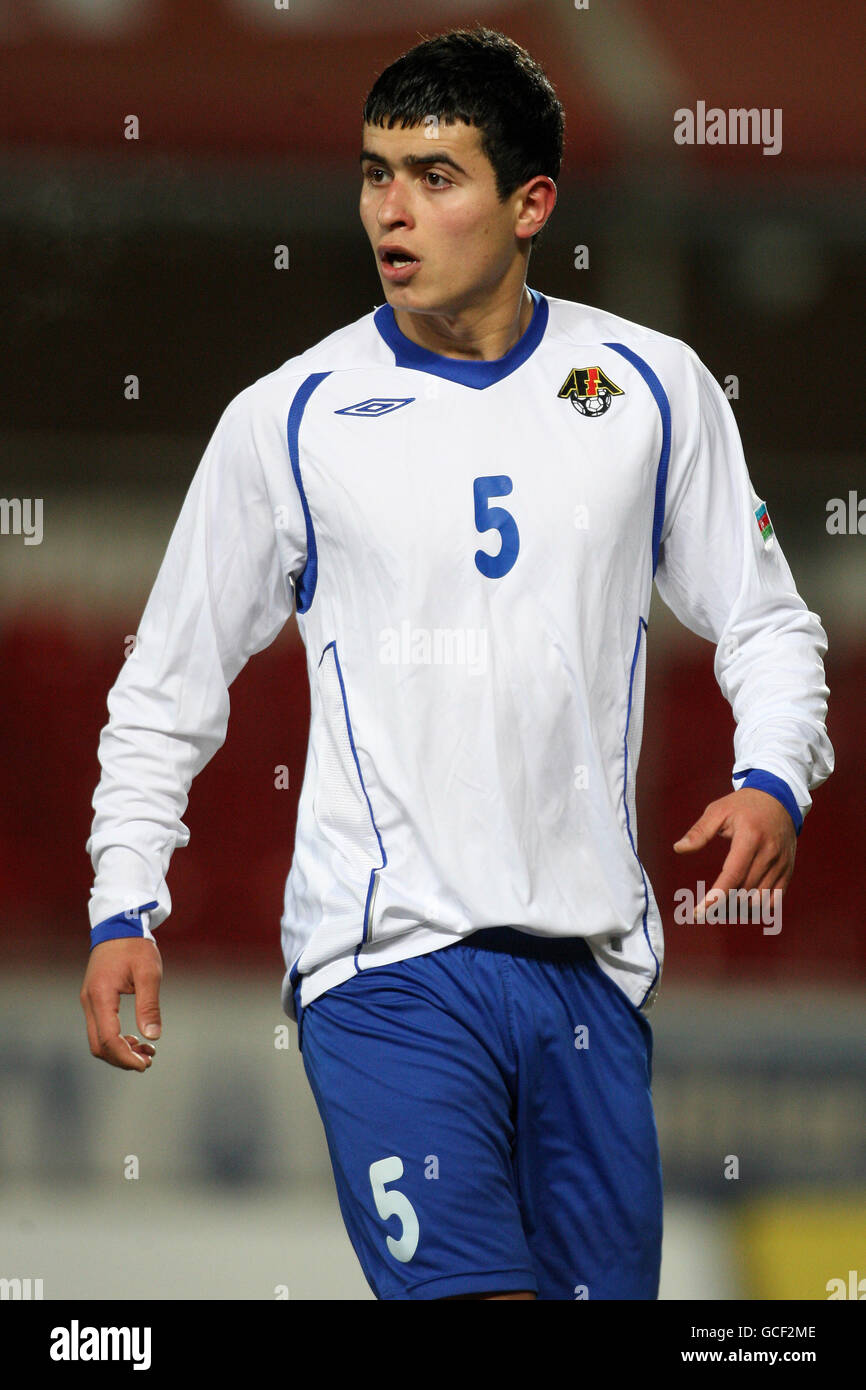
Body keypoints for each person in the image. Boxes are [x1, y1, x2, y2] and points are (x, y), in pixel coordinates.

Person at [81, 26, 833, 1300]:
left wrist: (772, 776)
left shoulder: (649, 388)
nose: (392, 209)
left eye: (435, 177)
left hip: (589, 979)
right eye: (376, 174)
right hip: (385, 973)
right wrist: (123, 901)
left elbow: (765, 622)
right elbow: (167, 685)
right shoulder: (290, 418)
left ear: (530, 203)